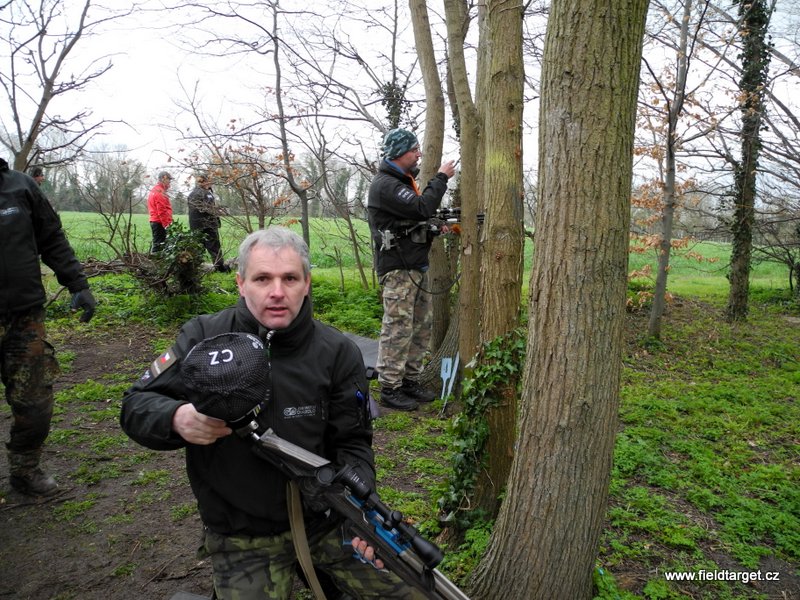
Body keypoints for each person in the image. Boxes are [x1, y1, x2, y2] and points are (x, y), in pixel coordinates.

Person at [120, 226, 425, 600]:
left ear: (306, 283)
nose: (277, 292)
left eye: (290, 278)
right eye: (262, 278)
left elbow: (353, 443)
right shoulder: (205, 339)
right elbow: (136, 405)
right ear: (240, 283)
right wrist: (175, 418)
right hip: (243, 535)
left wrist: (359, 515)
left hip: (326, 523)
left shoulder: (337, 352)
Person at [1, 157, 96, 496]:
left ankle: (25, 469)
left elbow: (52, 237)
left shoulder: (20, 187)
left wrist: (77, 284)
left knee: (35, 401)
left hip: (23, 317)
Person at [367, 128, 456, 411]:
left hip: (415, 266)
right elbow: (421, 208)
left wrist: (432, 228)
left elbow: (412, 221)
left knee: (420, 326)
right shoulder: (386, 185)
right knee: (398, 326)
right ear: (399, 152)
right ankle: (390, 387)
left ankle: (409, 380)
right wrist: (440, 178)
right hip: (398, 269)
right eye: (414, 149)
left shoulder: (402, 182)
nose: (419, 154)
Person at [188, 173, 229, 272]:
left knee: (198, 248)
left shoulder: (192, 194)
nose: (212, 183)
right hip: (208, 225)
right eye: (210, 181)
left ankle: (194, 268)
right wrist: (220, 212)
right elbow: (209, 209)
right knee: (214, 247)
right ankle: (220, 268)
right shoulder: (206, 194)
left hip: (195, 226)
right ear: (206, 182)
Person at [147, 170, 173, 252]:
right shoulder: (160, 192)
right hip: (160, 222)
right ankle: (154, 259)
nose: (170, 182)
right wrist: (166, 225)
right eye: (169, 179)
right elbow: (161, 211)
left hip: (156, 221)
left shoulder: (155, 190)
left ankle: (155, 258)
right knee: (158, 246)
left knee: (158, 244)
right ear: (163, 179)